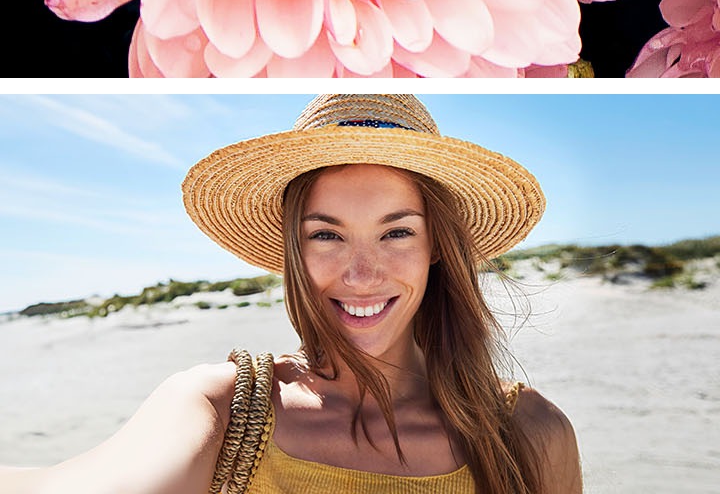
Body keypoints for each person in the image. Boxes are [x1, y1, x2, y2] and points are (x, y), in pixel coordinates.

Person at [0, 94, 583, 494]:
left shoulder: (530, 434)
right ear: (292, 251)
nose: (361, 273)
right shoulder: (223, 408)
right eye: (326, 235)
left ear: (436, 246)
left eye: (396, 232)